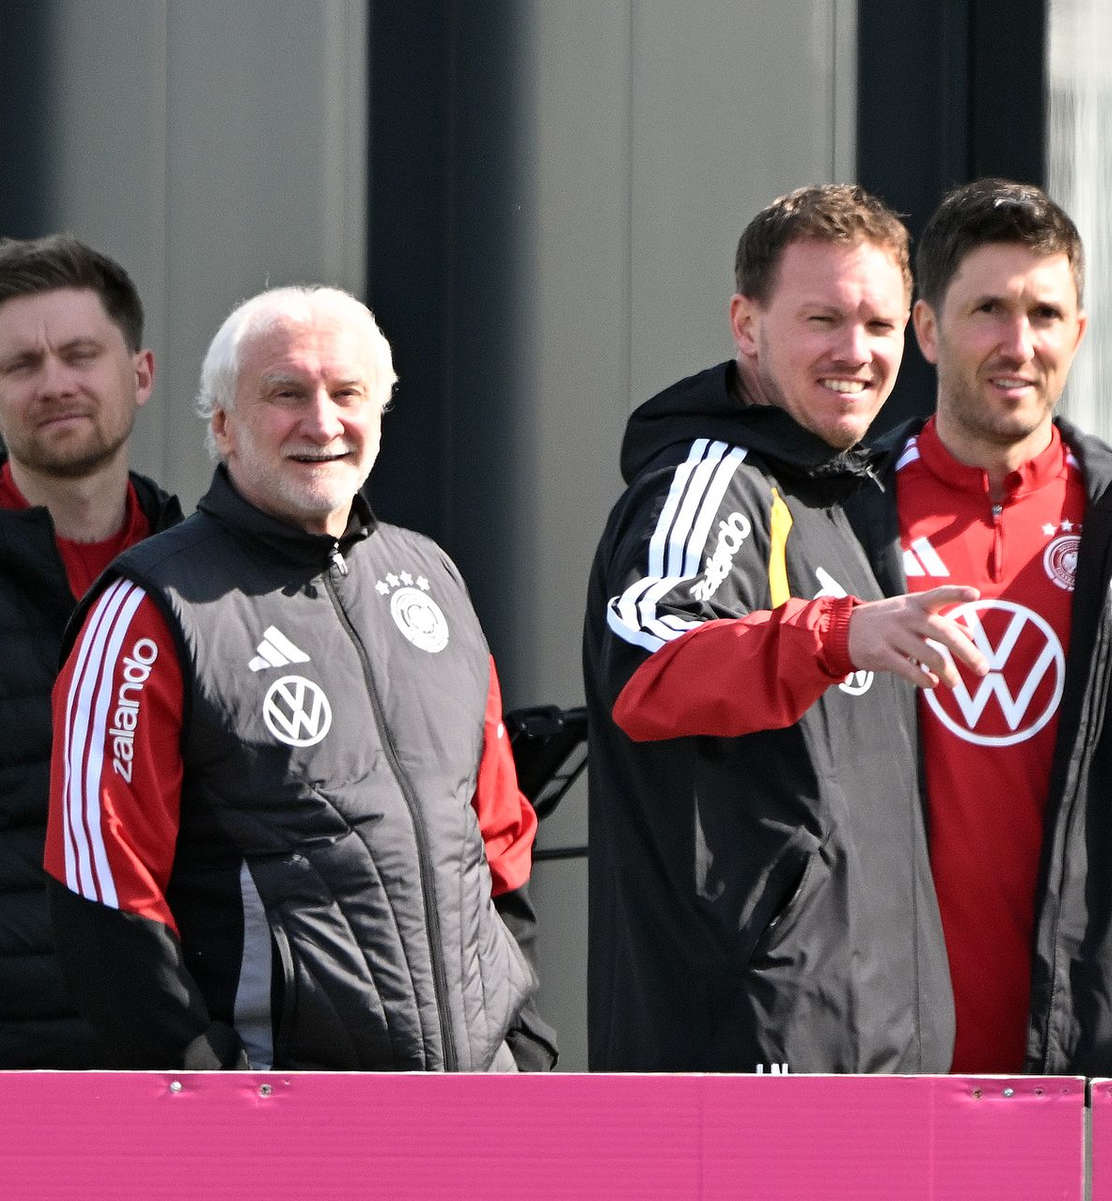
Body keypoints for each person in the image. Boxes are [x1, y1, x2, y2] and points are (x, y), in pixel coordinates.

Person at [45, 285, 557, 1072]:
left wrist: (519, 1041)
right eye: (286, 393)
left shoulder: (434, 577)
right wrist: (199, 1076)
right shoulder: (150, 605)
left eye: (347, 393)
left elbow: (496, 839)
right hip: (277, 1121)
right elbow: (103, 882)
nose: (322, 422)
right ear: (222, 424)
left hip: (478, 1104)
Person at [584, 184, 988, 1072]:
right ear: (745, 325)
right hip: (750, 1063)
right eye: (824, 321)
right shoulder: (710, 478)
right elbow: (651, 670)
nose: (857, 353)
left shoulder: (834, 495)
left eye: (880, 326)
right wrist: (833, 635)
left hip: (874, 1056)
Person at [849, 177, 1112, 1075]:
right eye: (989, 310)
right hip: (881, 1062)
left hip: (1103, 1066)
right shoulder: (842, 520)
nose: (1019, 343)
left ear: (1078, 332)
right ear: (926, 330)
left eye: (1046, 313)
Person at [0, 234, 182, 1067]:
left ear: (139, 375)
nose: (55, 384)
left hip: (188, 1057)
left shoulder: (207, 582)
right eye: (21, 365)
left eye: (80, 354)